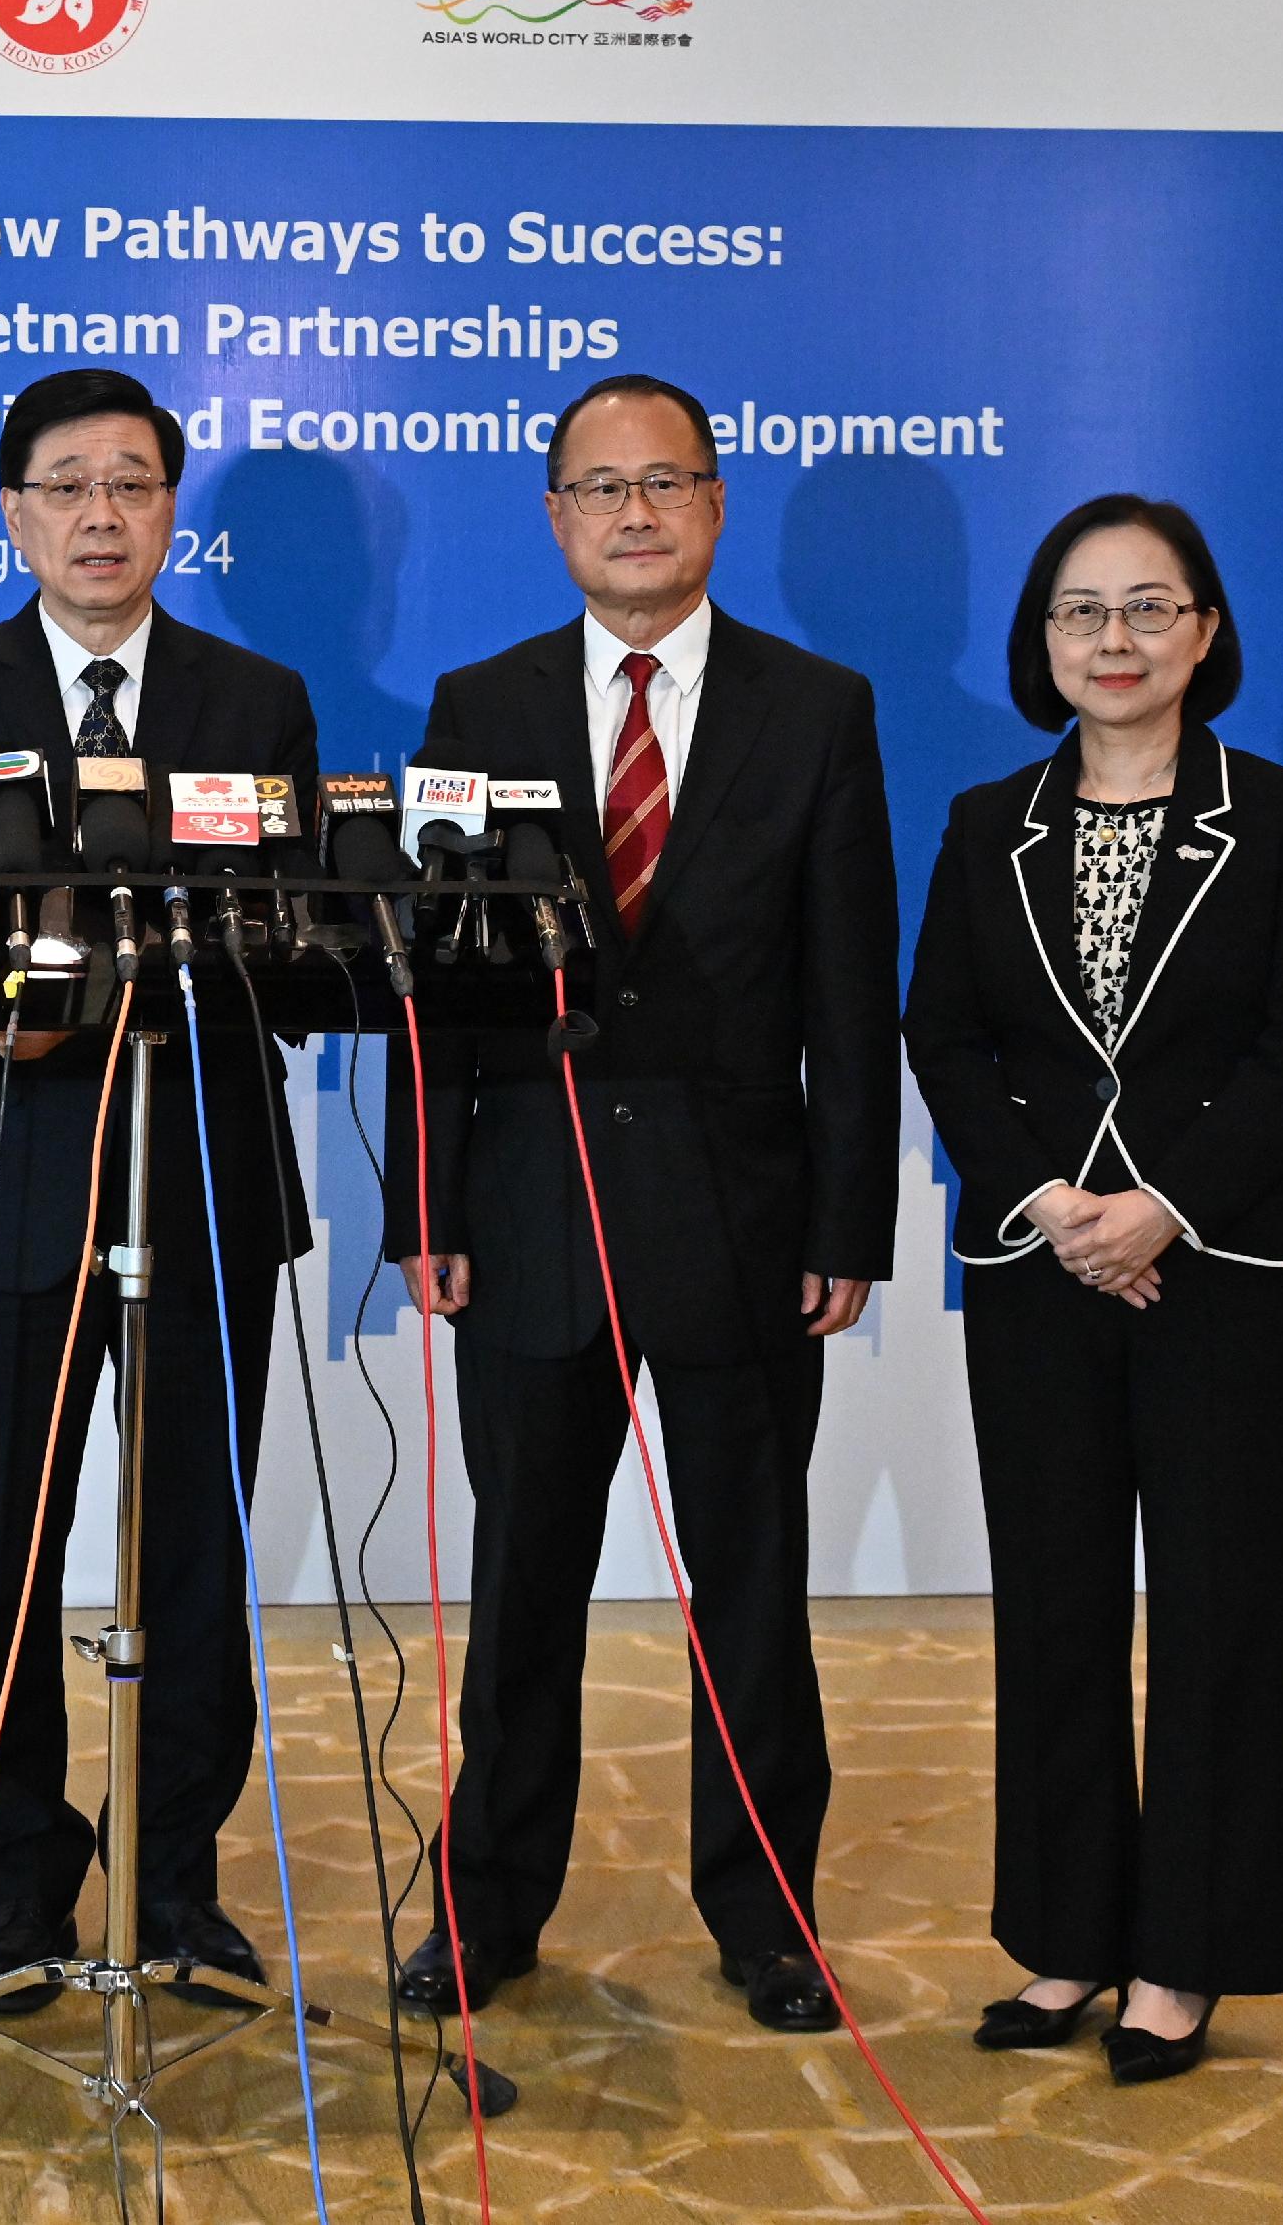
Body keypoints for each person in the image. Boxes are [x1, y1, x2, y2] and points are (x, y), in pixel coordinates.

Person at [383, 371, 898, 2034]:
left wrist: (848, 1222)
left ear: (715, 505)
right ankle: (486, 1912)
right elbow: (434, 993)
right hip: (529, 1208)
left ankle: (768, 1918)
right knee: (523, 1585)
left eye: (667, 483)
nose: (635, 514)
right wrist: (429, 1202)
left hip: (745, 1217)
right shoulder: (480, 704)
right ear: (553, 518)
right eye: (601, 489)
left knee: (749, 1585)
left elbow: (846, 988)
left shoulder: (817, 708)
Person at [0, 364, 321, 2008]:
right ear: (12, 512)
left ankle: (179, 1876)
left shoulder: (256, 700)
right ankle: (19, 1881)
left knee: (194, 1535)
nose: (101, 514)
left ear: (170, 512)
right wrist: (23, 1017)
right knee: (0, 1545)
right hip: (3, 1172)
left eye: (132, 483)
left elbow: (294, 944)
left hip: (199, 1168)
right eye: (67, 485)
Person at [901, 492, 1283, 2084]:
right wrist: (1055, 1205)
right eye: (1082, 612)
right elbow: (944, 1039)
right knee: (1058, 1611)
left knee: (1223, 1614)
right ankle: (1072, 1939)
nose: (1116, 640)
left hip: (1224, 1267)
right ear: (1041, 644)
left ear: (1207, 634)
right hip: (1040, 1269)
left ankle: (1188, 1956)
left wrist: (1158, 1205)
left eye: (1150, 608)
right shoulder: (984, 825)